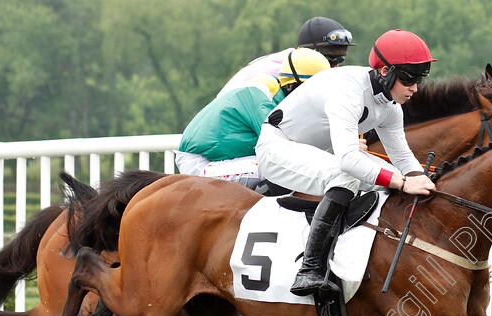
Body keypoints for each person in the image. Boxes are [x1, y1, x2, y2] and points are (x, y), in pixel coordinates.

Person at [255, 29, 437, 296]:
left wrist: (421, 180)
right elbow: (348, 159)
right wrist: (402, 181)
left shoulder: (390, 106)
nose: (415, 88)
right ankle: (309, 269)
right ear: (385, 71)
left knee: (388, 178)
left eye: (420, 78)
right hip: (277, 148)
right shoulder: (349, 91)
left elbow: (402, 157)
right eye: (409, 78)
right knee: (348, 177)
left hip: (317, 154)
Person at [175, 48, 331, 188]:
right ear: (290, 85)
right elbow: (284, 148)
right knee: (281, 167)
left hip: (221, 159)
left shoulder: (278, 90)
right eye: (308, 91)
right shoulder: (263, 97)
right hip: (200, 164)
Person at [218, 17, 353, 96]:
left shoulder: (295, 62)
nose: (336, 66)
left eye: (340, 58)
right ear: (310, 51)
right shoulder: (282, 70)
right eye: (330, 59)